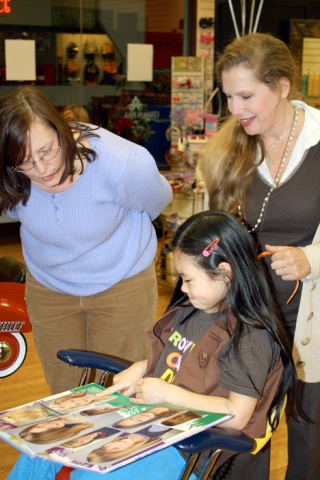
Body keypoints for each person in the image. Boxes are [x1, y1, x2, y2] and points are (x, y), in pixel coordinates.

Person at [8, 210, 297, 479]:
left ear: (225, 273)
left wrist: (167, 394)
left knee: (90, 473)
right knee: (36, 451)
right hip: (149, 423)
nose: (182, 288)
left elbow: (237, 416)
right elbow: (181, 355)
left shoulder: (251, 337)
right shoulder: (193, 312)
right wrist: (141, 367)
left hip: (189, 449)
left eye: (188, 279)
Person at [199, 32, 320, 480]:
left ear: (283, 87)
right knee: (241, 429)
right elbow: (212, 232)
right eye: (229, 96)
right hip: (247, 316)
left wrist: (313, 259)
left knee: (310, 431)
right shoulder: (229, 150)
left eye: (247, 95)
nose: (235, 109)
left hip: (312, 319)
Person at [0, 85, 172, 395]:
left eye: (46, 151)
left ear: (61, 129)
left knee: (117, 392)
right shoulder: (10, 173)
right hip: (50, 288)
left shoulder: (122, 162)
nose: (41, 170)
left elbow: (157, 201)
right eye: (24, 161)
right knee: (65, 394)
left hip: (122, 284)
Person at [18, 415, 94, 444]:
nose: (49, 425)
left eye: (39, 426)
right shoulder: (82, 424)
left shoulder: (52, 415)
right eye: (49, 430)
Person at [48, 389, 112, 411]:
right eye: (77, 404)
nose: (80, 401)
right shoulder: (100, 404)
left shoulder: (91, 389)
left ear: (72, 397)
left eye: (73, 400)